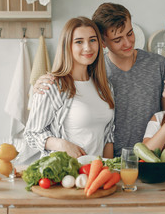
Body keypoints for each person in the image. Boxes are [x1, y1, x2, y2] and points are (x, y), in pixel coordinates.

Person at [34, 3, 165, 157]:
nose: (128, 43)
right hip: (111, 162)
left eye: (130, 33)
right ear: (102, 42)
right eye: (117, 40)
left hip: (152, 158)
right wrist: (40, 86)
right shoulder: (95, 71)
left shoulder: (157, 64)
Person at [23, 17, 115, 159]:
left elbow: (108, 137)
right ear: (67, 46)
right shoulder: (52, 85)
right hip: (63, 174)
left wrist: (108, 171)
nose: (88, 47)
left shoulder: (105, 87)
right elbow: (31, 134)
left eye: (92, 40)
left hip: (94, 175)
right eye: (79, 42)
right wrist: (61, 145)